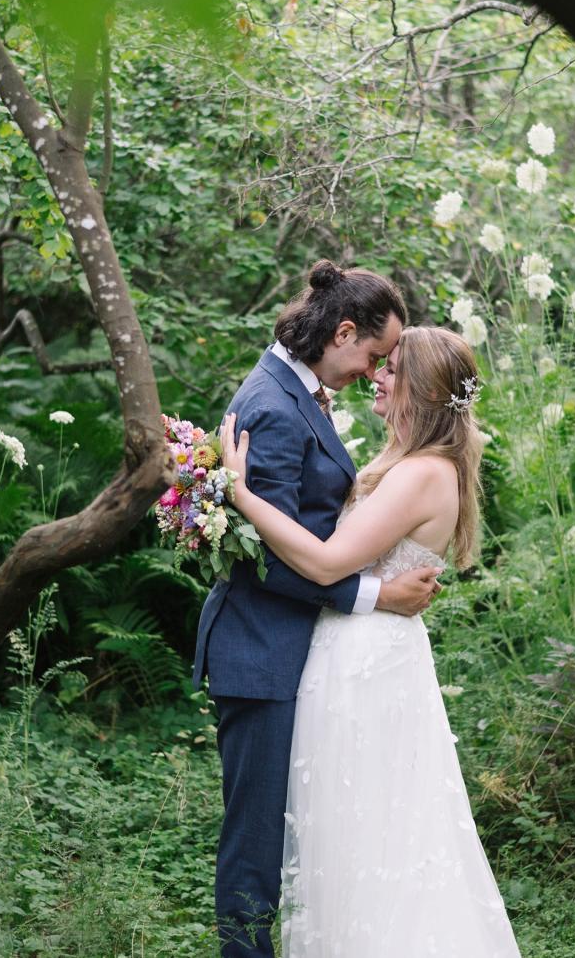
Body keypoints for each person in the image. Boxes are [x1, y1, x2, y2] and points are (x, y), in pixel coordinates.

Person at [219, 325, 521, 958]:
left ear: (424, 390)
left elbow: (328, 564)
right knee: (351, 837)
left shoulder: (423, 474)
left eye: (391, 371)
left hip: (369, 666)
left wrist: (241, 495)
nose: (376, 377)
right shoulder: (402, 462)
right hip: (353, 655)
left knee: (376, 837)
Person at [192, 260, 445, 958]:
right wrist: (376, 594)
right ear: (340, 332)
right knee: (256, 846)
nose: (375, 372)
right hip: (260, 651)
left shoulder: (295, 389)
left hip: (286, 647)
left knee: (286, 835)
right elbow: (263, 554)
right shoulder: (274, 405)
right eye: (373, 355)